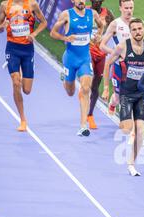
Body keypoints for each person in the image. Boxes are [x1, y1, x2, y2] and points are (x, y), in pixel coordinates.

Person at [102, 18, 144, 176]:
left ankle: (131, 163)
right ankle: (113, 101)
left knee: (140, 130)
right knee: (127, 130)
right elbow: (108, 64)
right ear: (130, 31)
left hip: (141, 93)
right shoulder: (122, 47)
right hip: (125, 92)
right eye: (134, 30)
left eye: (140, 29)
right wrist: (106, 87)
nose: (138, 32)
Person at [50, 0, 104, 136]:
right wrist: (65, 38)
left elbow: (101, 25)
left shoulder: (93, 14)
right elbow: (53, 33)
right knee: (70, 92)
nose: (81, 1)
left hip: (85, 59)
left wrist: (99, 34)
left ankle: (83, 126)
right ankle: (64, 77)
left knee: (86, 88)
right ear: (73, 1)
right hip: (70, 59)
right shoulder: (66, 15)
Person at [0, 0, 47, 132]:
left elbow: (44, 22)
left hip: (27, 51)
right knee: (16, 81)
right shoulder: (5, 5)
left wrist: (34, 34)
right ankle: (23, 119)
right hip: (12, 49)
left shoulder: (32, 4)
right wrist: (3, 25)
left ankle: (22, 83)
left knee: (27, 90)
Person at [99, 0, 134, 115]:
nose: (129, 11)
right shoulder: (115, 24)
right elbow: (102, 45)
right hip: (119, 65)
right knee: (117, 98)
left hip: (133, 66)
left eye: (131, 8)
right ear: (120, 8)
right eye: (126, 8)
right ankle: (112, 104)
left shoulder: (137, 23)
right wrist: (116, 53)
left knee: (132, 96)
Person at [86, 0, 115, 129]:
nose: (96, 1)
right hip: (86, 51)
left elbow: (115, 31)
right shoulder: (84, 11)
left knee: (95, 86)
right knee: (88, 79)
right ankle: (69, 69)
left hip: (101, 55)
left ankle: (90, 115)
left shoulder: (108, 14)